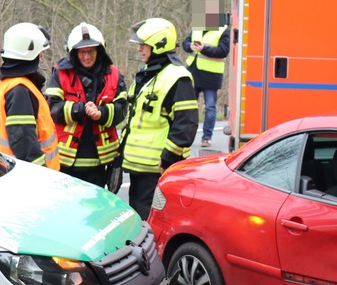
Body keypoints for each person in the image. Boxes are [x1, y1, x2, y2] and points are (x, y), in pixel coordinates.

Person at [122, 17, 198, 219]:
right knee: (139, 219)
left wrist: (168, 160)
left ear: (159, 43)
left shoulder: (177, 78)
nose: (139, 50)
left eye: (143, 45)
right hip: (139, 167)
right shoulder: (149, 73)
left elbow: (186, 125)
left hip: (158, 169)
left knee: (153, 223)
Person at [44, 23, 129, 187]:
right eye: (82, 52)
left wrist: (102, 113)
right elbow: (53, 108)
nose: (87, 56)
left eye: (91, 51)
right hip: (66, 162)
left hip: (99, 162)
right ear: (74, 53)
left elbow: (122, 109)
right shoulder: (61, 73)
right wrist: (79, 110)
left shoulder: (114, 75)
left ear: (99, 51)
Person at [0, 23, 59, 169]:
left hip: (6, 171)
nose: (41, 56)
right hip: (25, 178)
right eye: (40, 53)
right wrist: (43, 173)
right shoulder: (20, 90)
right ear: (30, 54)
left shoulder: (9, 83)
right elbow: (24, 142)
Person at [181, 20, 231, 148]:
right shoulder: (197, 27)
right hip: (193, 72)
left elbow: (223, 51)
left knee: (210, 107)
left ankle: (207, 137)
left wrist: (204, 48)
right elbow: (185, 43)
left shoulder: (223, 31)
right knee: (189, 107)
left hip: (211, 75)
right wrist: (189, 46)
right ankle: (186, 135)